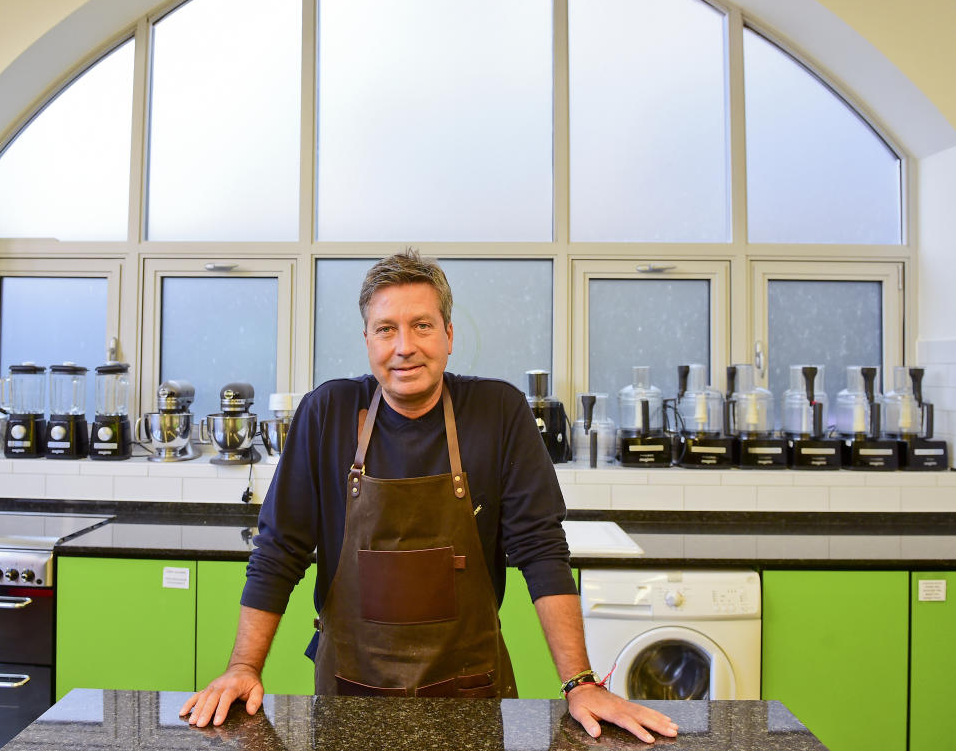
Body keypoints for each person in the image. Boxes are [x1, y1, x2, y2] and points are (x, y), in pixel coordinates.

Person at [180, 249, 678, 743]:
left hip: (471, 697)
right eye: (386, 329)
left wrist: (580, 684)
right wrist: (242, 667)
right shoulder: (326, 412)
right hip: (348, 701)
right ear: (368, 339)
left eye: (421, 326)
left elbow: (540, 549)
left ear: (448, 336)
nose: (404, 347)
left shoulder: (498, 412)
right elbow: (278, 551)